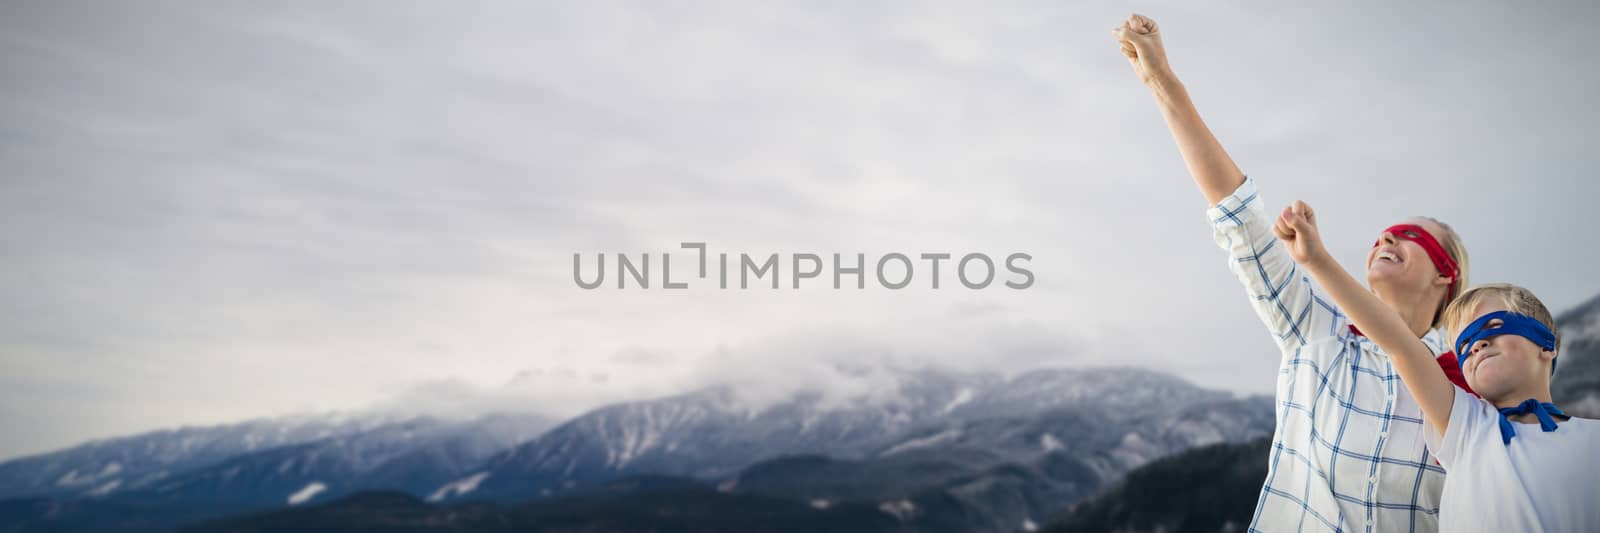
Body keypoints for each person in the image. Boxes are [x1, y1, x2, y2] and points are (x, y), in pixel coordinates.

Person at [1114, 13, 1474, 532]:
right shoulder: (1316, 330)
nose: (1386, 238)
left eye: (1410, 235)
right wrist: (1162, 80)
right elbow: (1237, 213)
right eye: (1381, 235)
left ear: (1447, 276)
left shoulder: (1464, 380)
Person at [1276, 201, 1600, 532]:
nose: (1475, 344)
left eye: (1493, 326)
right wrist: (1316, 260)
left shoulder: (1592, 441)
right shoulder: (1467, 427)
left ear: (1547, 345)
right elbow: (1399, 343)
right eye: (1463, 345)